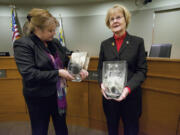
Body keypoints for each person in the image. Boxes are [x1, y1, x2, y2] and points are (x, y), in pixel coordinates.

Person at [13, 8, 88, 135]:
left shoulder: (54, 42)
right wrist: (58, 73)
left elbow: (66, 61)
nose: (54, 33)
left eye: (54, 30)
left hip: (58, 94)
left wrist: (79, 70)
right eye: (50, 30)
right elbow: (29, 74)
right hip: (38, 97)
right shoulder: (23, 44)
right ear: (37, 29)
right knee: (40, 129)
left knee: (61, 126)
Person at [97, 4, 147, 135]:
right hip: (109, 98)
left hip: (130, 97)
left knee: (131, 130)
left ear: (126, 19)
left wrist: (127, 89)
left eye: (118, 17)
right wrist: (101, 83)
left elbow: (142, 71)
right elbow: (100, 68)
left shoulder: (138, 42)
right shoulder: (104, 44)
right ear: (109, 23)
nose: (115, 21)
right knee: (112, 129)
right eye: (111, 19)